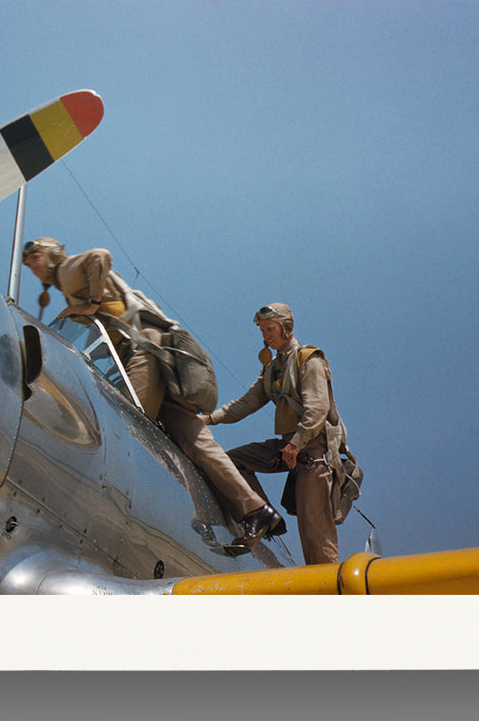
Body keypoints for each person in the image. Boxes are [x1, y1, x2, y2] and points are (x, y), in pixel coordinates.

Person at [22, 239, 279, 549]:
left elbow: (100, 256)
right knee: (196, 440)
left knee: (126, 427)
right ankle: (255, 510)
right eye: (29, 264)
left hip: (143, 355)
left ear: (49, 255)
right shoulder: (67, 281)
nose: (34, 267)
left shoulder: (66, 271)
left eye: (35, 258)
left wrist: (88, 303)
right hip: (158, 361)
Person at [200, 303, 342, 565]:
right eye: (263, 331)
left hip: (312, 455)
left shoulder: (309, 360)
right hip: (288, 449)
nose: (266, 336)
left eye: (270, 329)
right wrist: (209, 418)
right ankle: (264, 515)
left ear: (286, 327)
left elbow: (317, 408)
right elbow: (246, 403)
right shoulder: (273, 369)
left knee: (315, 539)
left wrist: (296, 443)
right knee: (231, 462)